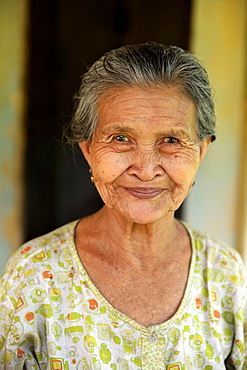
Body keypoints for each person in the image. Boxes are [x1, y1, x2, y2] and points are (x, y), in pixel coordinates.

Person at [0, 41, 246, 370]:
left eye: (171, 140)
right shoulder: (34, 275)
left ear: (200, 151)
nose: (145, 170)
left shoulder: (224, 274)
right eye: (120, 138)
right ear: (88, 150)